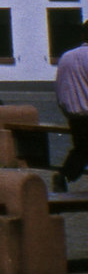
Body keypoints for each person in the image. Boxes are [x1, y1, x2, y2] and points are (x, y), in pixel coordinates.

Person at [53, 19, 88, 193]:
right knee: (83, 149)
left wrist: (65, 108)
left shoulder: (66, 56)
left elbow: (60, 85)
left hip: (73, 113)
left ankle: (64, 175)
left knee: (81, 148)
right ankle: (64, 174)